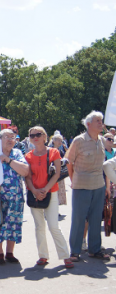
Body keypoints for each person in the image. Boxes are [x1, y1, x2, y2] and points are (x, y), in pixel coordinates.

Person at [24, 126, 73, 268]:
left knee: (53, 226)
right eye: (32, 135)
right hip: (34, 193)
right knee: (39, 227)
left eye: (38, 134)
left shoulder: (54, 152)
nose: (35, 137)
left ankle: (65, 256)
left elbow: (57, 174)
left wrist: (45, 189)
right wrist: (34, 190)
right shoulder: (28, 156)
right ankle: (43, 256)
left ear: (45, 137)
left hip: (50, 192)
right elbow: (28, 177)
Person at [66, 111, 109, 261]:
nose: (101, 123)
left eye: (101, 121)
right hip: (81, 186)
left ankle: (94, 249)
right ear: (88, 124)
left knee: (96, 219)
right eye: (98, 121)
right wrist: (74, 181)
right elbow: (68, 162)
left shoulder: (102, 140)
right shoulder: (78, 140)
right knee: (79, 219)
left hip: (99, 185)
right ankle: (75, 251)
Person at [0, 129, 29, 265]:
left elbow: (25, 171)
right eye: (7, 137)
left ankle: (10, 252)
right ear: (0, 139)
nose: (10, 140)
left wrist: (8, 160)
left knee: (12, 222)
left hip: (14, 196)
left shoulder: (17, 153)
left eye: (12, 137)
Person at [51, 134, 67, 206]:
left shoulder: (60, 151)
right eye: (58, 140)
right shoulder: (49, 150)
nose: (60, 142)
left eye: (61, 140)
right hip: (52, 174)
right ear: (53, 141)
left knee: (58, 192)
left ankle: (56, 209)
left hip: (60, 174)